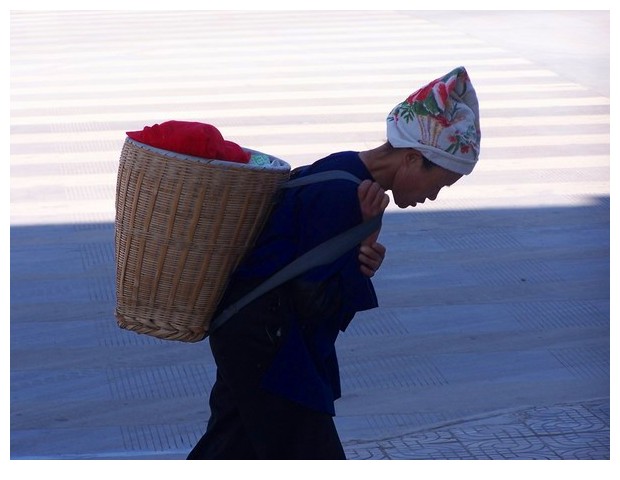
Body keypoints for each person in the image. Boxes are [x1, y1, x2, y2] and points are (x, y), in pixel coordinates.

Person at [187, 66, 481, 460]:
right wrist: (362, 248)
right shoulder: (349, 197)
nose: (434, 195)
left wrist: (359, 250)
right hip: (271, 350)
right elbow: (317, 305)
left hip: (245, 334)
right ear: (412, 158)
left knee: (228, 448)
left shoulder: (342, 165)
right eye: (440, 183)